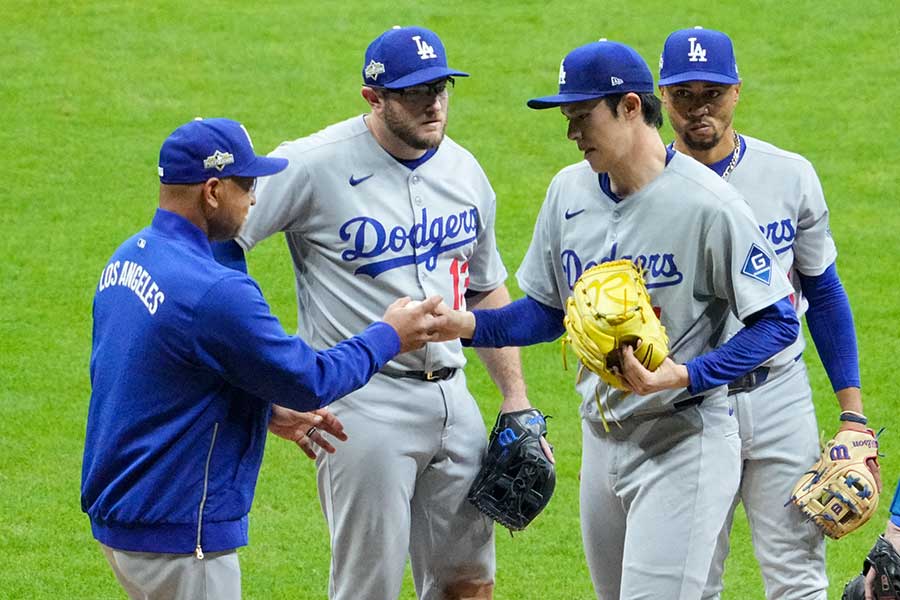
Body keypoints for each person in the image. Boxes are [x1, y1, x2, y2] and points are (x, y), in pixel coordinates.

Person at [431, 39, 802, 599]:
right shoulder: (567, 192)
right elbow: (548, 313)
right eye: (568, 118)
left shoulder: (711, 205)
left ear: (631, 107)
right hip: (601, 441)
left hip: (684, 439)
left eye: (582, 117)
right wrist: (470, 326)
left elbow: (778, 323)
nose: (571, 133)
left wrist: (686, 375)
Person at [211, 26, 539, 600]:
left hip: (453, 400)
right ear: (374, 98)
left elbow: (485, 290)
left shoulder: (466, 172)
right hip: (360, 407)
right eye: (415, 92)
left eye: (440, 87)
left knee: (470, 583)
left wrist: (515, 396)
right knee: (370, 588)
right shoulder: (311, 165)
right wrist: (267, 380)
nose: (433, 103)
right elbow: (218, 250)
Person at [81, 117, 449, 600]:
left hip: (125, 511)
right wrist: (388, 336)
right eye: (247, 185)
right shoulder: (215, 290)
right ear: (212, 191)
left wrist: (262, 410)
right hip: (179, 527)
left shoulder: (130, 258)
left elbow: (156, 372)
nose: (255, 199)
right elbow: (309, 379)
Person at [656, 26, 879, 600]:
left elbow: (823, 292)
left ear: (736, 91)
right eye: (684, 95)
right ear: (661, 97)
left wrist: (852, 415)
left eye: (712, 94)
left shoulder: (790, 175)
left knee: (799, 576)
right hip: (692, 403)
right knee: (691, 579)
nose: (698, 110)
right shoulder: (645, 186)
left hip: (781, 397)